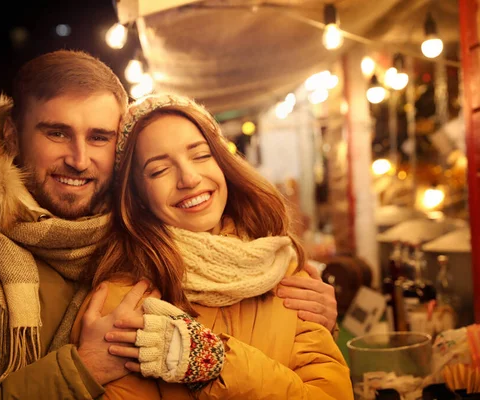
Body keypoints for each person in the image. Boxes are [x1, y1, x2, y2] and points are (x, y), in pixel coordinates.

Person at [0, 50, 338, 399]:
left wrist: (312, 318)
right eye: (56, 132)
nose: (79, 160)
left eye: (98, 137)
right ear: (11, 135)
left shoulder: (117, 241)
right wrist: (79, 370)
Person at [70, 93, 352, 399]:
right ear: (137, 196)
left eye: (201, 155)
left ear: (222, 162)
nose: (189, 178)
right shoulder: (123, 302)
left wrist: (214, 362)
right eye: (159, 170)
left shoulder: (284, 271)